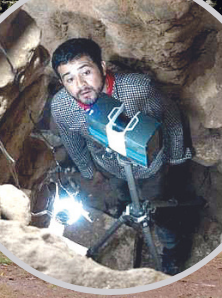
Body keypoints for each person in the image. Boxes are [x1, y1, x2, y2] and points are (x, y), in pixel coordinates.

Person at [48, 38, 192, 274]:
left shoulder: (138, 88)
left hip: (150, 167)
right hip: (109, 166)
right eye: (70, 79)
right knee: (123, 195)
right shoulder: (62, 107)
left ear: (103, 67)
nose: (81, 84)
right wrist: (87, 171)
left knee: (161, 209)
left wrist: (176, 159)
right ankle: (126, 208)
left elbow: (171, 117)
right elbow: (72, 140)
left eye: (86, 72)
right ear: (62, 82)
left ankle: (172, 249)